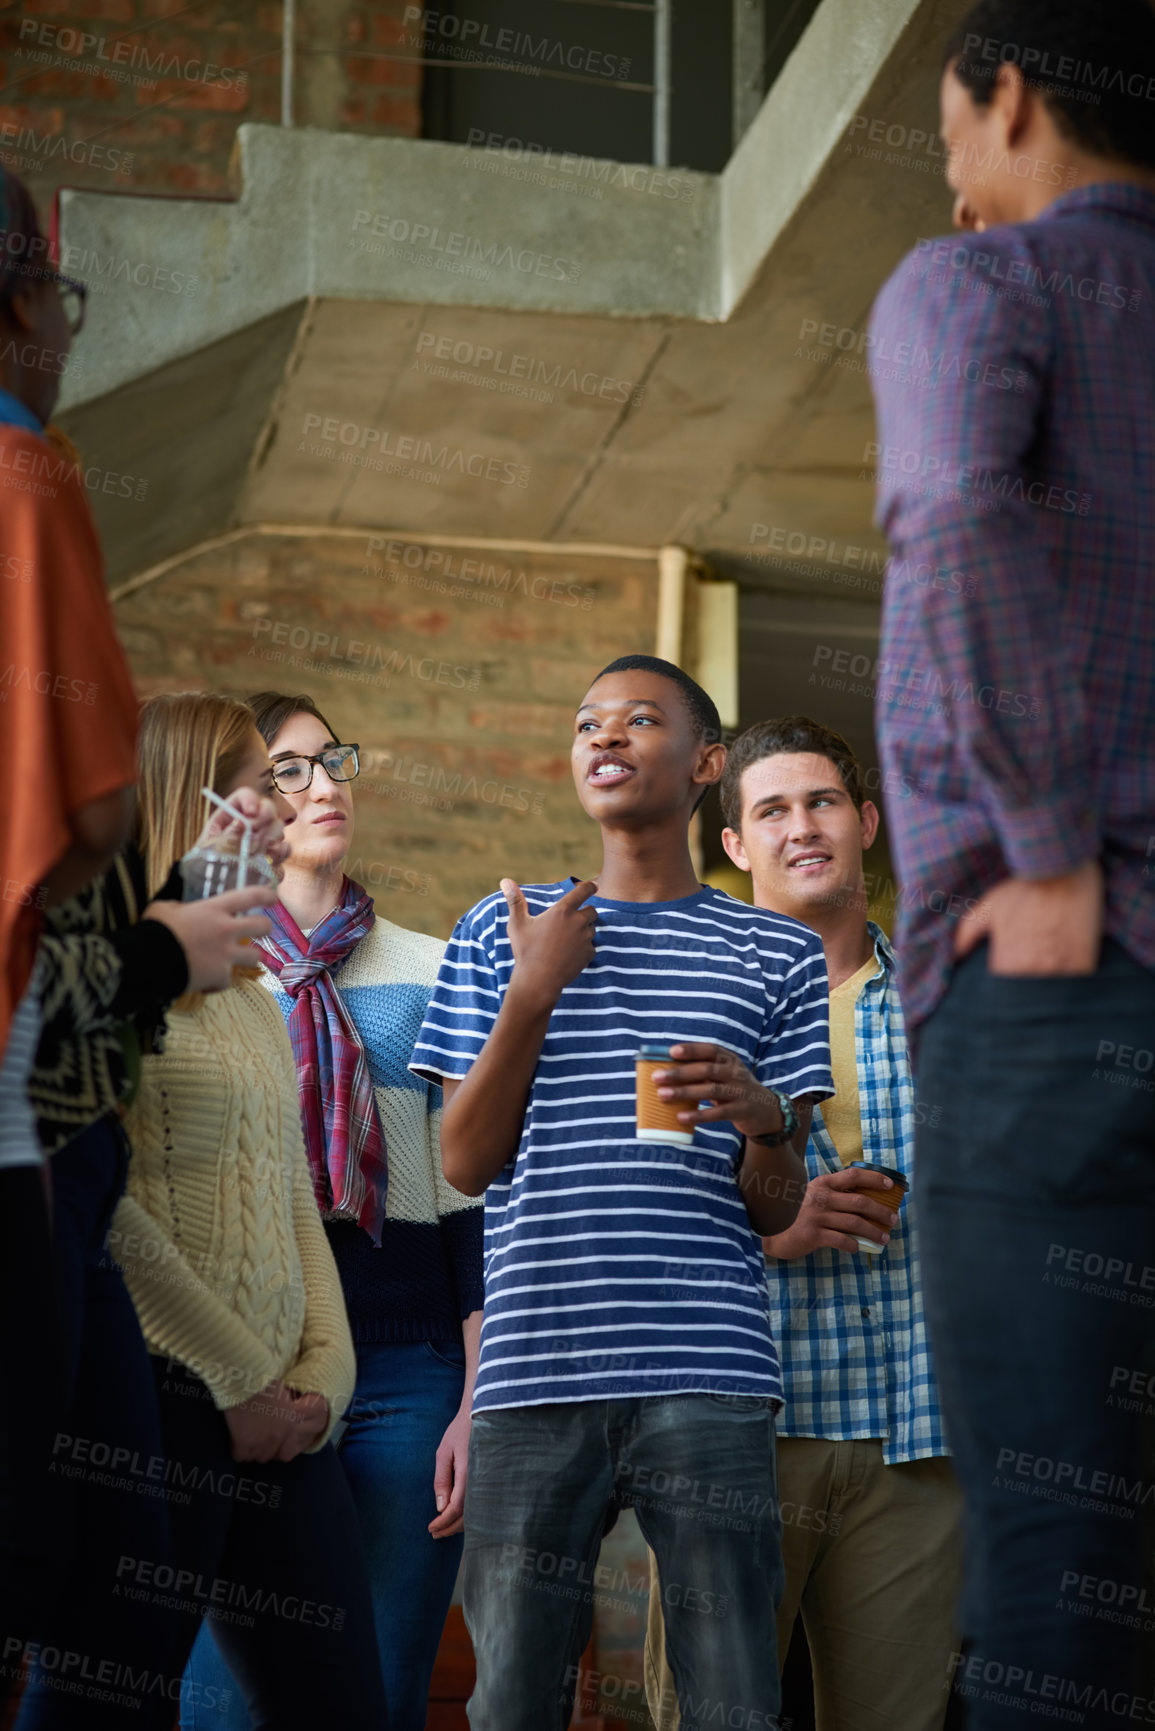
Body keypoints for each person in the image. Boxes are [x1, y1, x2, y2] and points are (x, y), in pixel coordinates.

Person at [867, 4, 1155, 1726]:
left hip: (1063, 983)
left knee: (1056, 1558)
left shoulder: (981, 285)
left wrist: (1045, 846)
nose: (957, 172)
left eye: (953, 126)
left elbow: (963, 507)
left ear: (1011, 94)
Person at [410, 653, 834, 1731]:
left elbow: (779, 1208)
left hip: (707, 1371)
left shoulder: (775, 950)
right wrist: (533, 992)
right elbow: (464, 1165)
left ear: (705, 763)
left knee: (733, 1694)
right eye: (588, 722)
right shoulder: (499, 925)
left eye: (638, 720)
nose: (603, 737)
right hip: (533, 1371)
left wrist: (763, 1115)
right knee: (513, 1699)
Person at [1, 166, 283, 1728]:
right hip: (28, 1146)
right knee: (102, 1593)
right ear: (25, 299)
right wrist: (167, 948)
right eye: (248, 779)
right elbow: (92, 817)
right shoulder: (23, 476)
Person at [643, 716, 960, 1731]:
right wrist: (773, 1231)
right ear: (735, 846)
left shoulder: (947, 1003)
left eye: (822, 801)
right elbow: (643, 1216)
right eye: (770, 810)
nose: (801, 827)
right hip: (741, 1432)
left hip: (917, 1436)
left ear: (867, 821)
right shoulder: (682, 1004)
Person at [183, 689, 484, 1731]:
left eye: (334, 761)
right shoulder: (204, 972)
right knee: (220, 1705)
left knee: (378, 1697)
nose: (322, 787)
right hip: (248, 1360)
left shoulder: (437, 969)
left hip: (407, 1366)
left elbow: (466, 1204)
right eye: (288, 770)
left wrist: (474, 1397)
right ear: (238, 806)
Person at [106, 692, 388, 1730]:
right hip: (161, 1406)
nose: (282, 806)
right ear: (194, 798)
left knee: (343, 1705)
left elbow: (291, 1207)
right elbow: (103, 1210)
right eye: (260, 781)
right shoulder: (117, 981)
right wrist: (230, 1382)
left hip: (284, 1420)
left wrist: (318, 1380)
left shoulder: (251, 997)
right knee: (111, 1701)